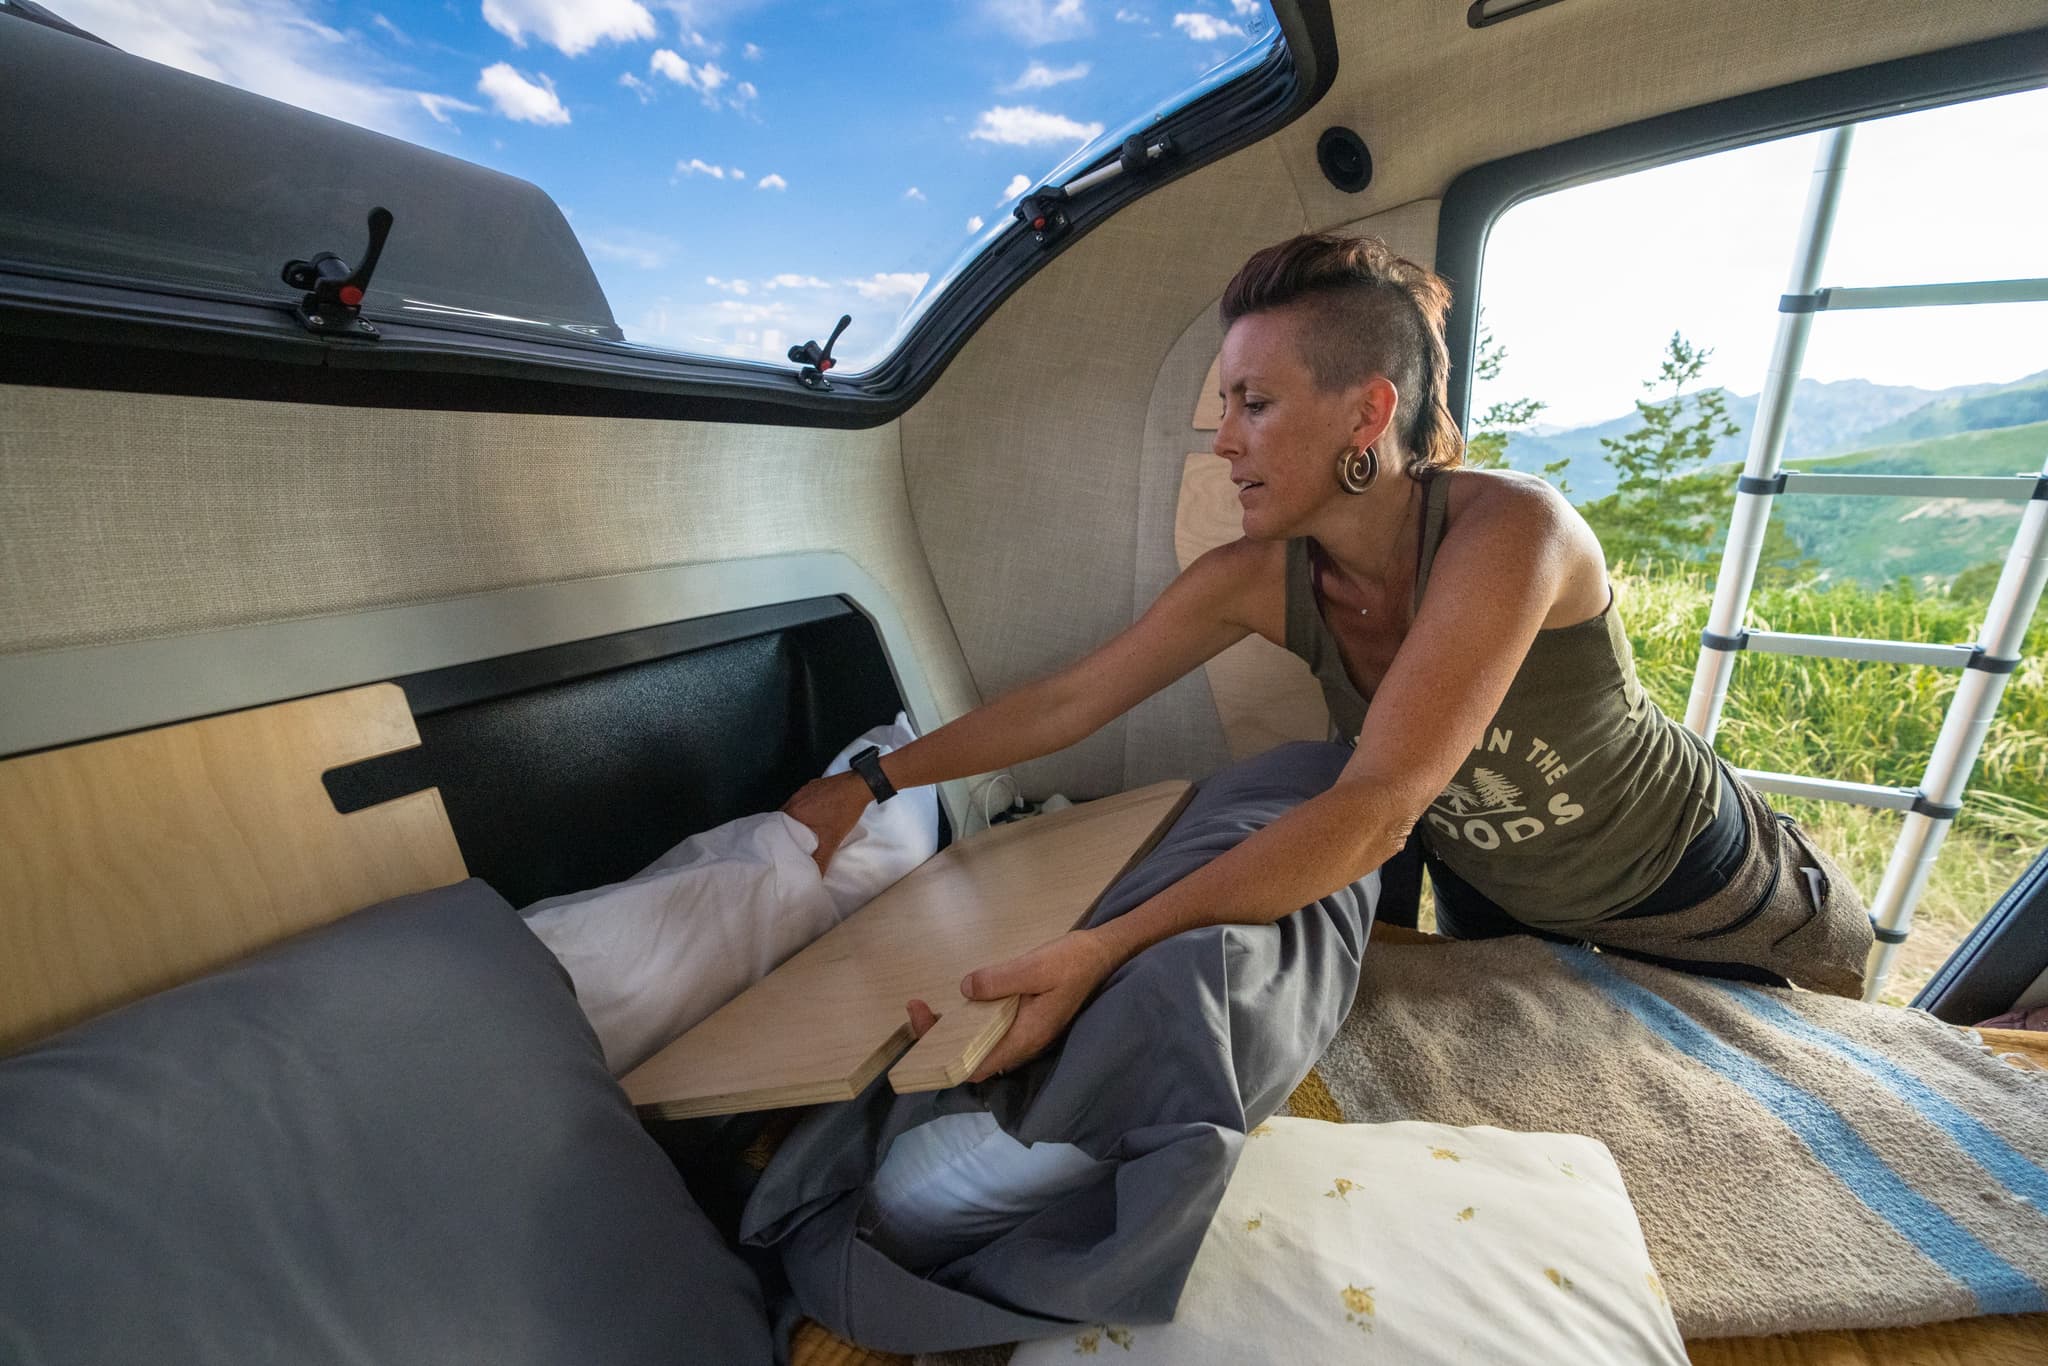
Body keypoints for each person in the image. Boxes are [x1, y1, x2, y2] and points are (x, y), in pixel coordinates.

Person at [785, 232, 1872, 1080]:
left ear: (1367, 413)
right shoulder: (1254, 580)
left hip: (1704, 895)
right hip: (1512, 921)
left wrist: (1101, 946)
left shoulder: (1512, 533)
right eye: (1225, 406)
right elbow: (1072, 700)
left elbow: (1378, 806)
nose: (1223, 441)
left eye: (1253, 404)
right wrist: (867, 780)